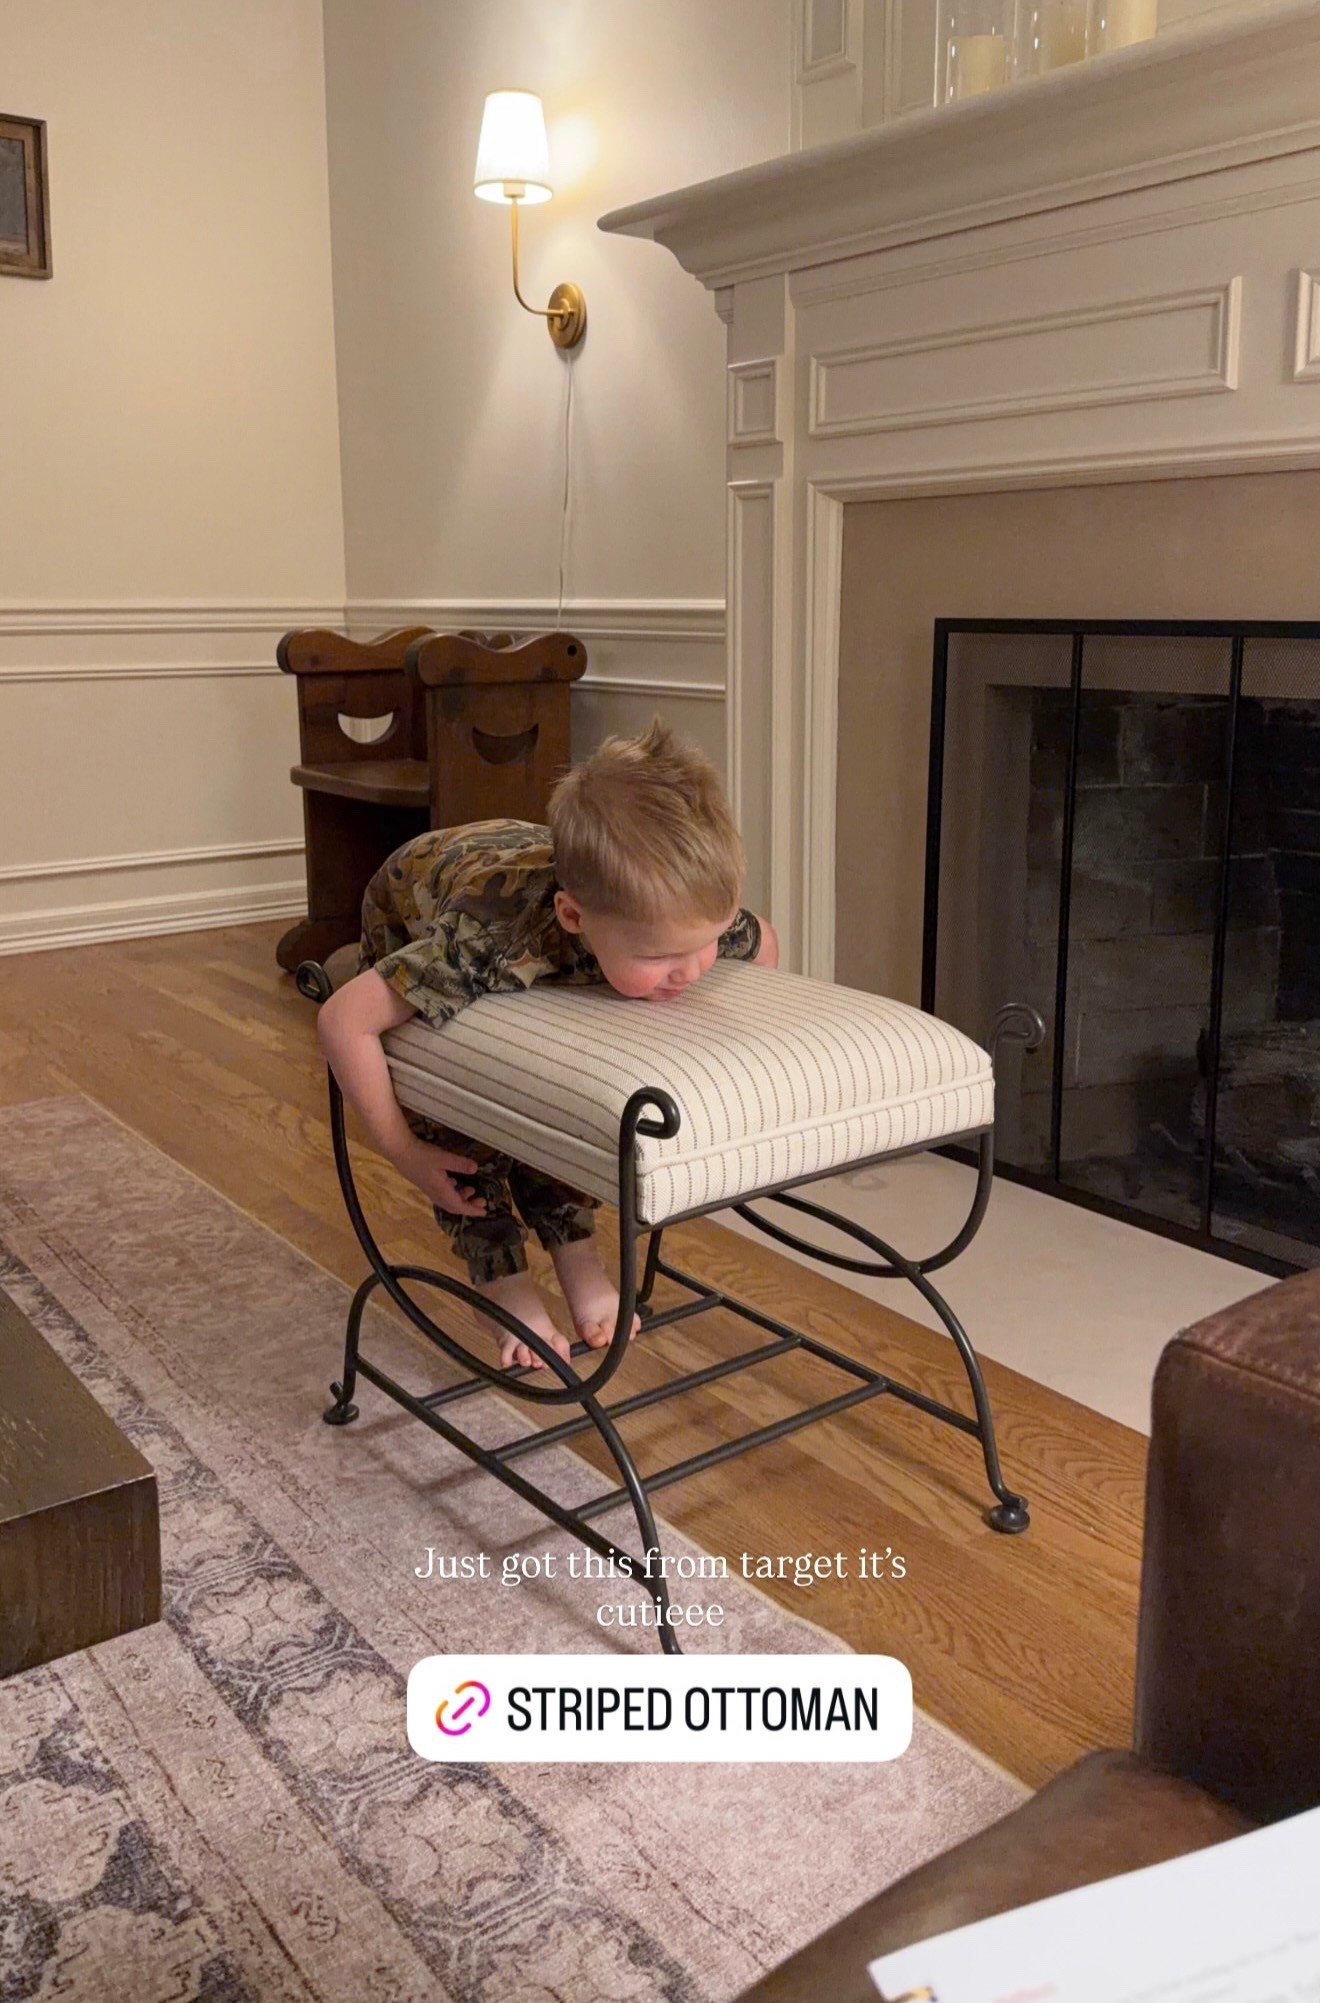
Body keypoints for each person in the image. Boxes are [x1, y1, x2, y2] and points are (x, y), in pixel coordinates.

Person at [316, 717, 778, 1372]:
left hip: (525, 860)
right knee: (466, 1112)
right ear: (573, 917)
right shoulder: (486, 939)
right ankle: (499, 1282)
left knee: (564, 1091)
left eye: (707, 938)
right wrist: (405, 1151)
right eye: (662, 956)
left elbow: (762, 939)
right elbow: (343, 1021)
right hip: (416, 900)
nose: (694, 967)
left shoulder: (679, 923)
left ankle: (576, 1255)